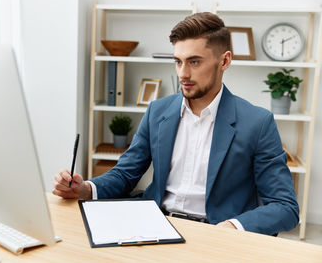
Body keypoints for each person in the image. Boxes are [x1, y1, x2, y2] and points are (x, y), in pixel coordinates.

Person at [53, 12, 299, 235]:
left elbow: (285, 207)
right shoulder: (158, 111)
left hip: (217, 235)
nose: (182, 73)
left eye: (194, 62)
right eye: (178, 61)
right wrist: (85, 188)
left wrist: (234, 226)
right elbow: (126, 173)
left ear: (224, 61)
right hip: (154, 226)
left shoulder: (257, 122)